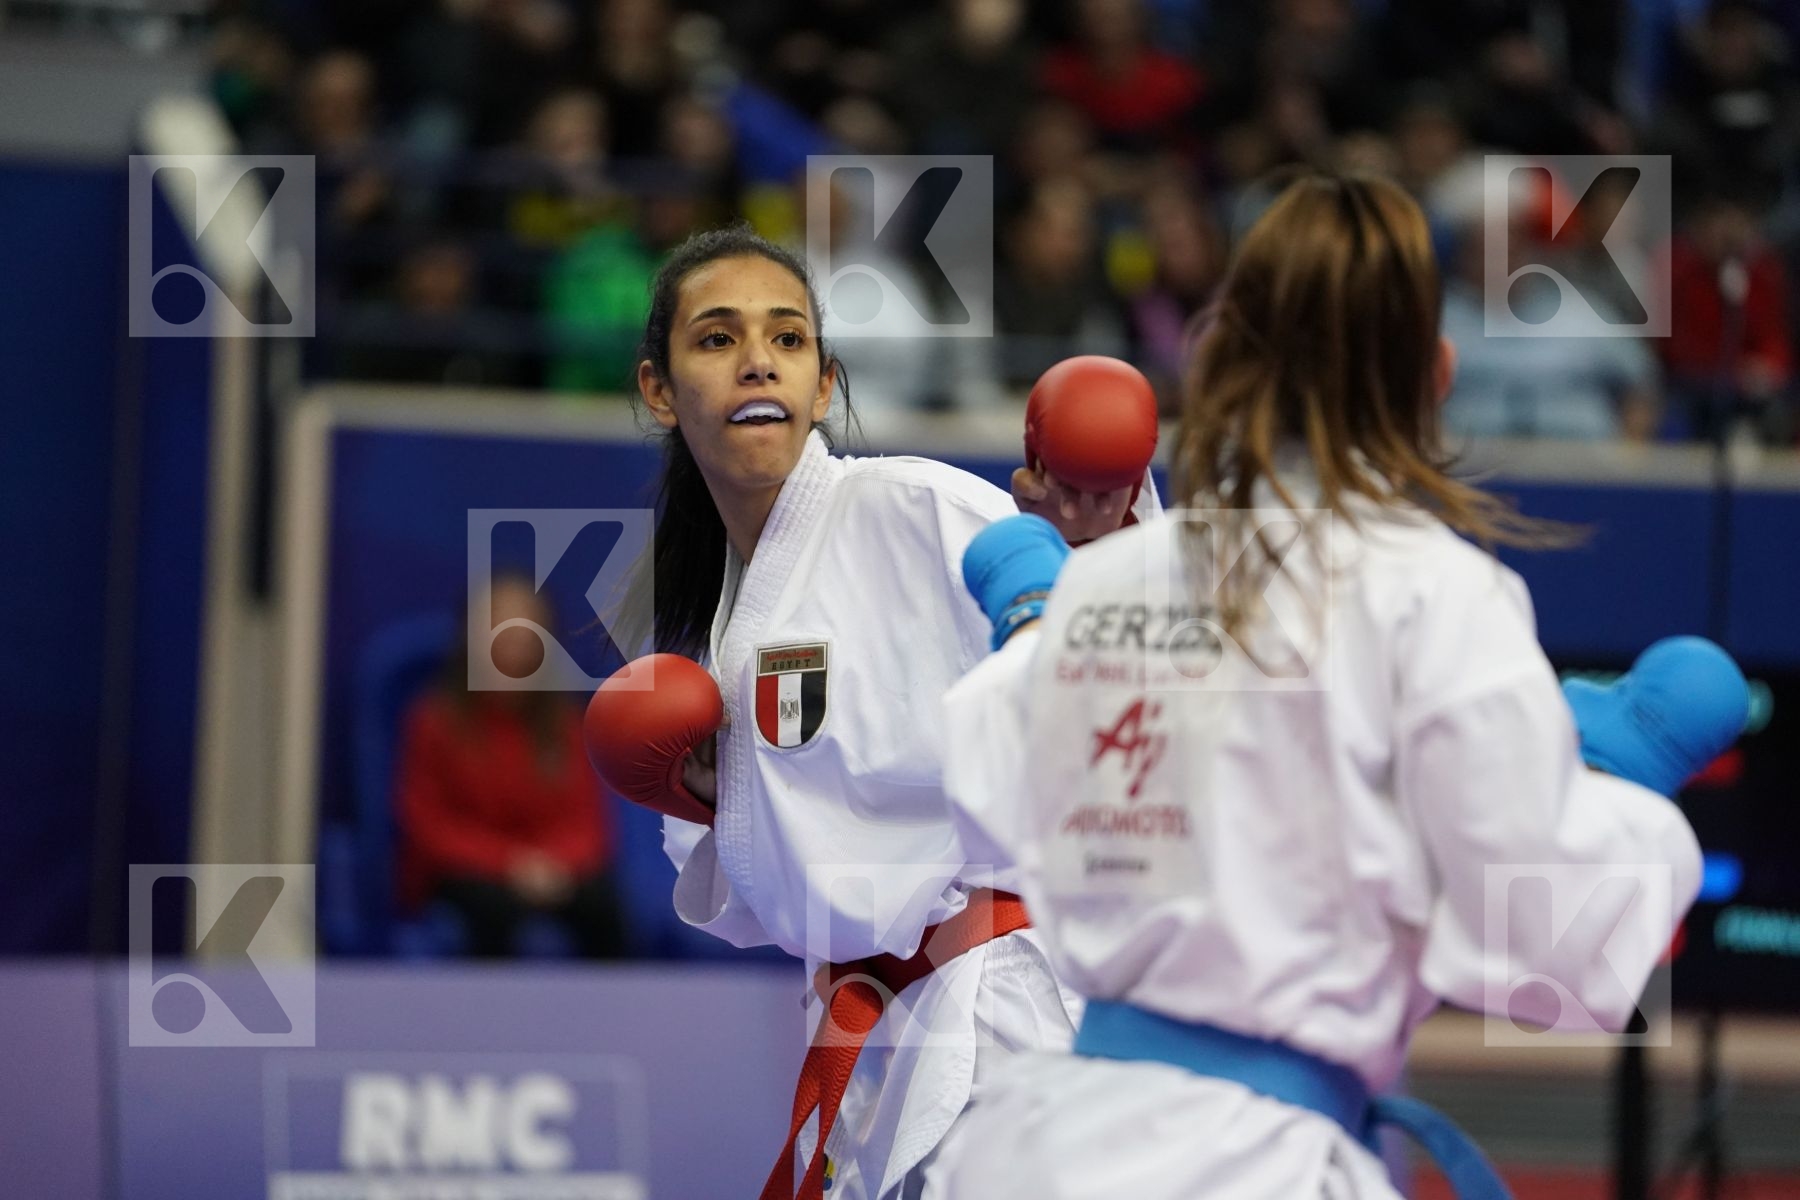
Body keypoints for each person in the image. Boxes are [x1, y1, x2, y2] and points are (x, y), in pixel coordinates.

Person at [929, 172, 1740, 1198]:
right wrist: (1620, 785)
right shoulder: (1434, 594)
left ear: (1221, 362)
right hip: (1245, 1168)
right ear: (1434, 376)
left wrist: (1039, 619)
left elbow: (986, 798)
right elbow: (1547, 949)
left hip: (1040, 1143)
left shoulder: (1121, 573)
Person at [586, 224, 1156, 1200]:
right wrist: (703, 799)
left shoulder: (913, 507)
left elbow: (1114, 667)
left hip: (1005, 1013)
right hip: (883, 1026)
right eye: (716, 340)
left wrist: (1102, 544)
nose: (757, 359)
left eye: (788, 338)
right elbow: (776, 893)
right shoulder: (714, 624)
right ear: (657, 390)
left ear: (823, 382)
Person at [394, 571, 629, 959]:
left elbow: (587, 824)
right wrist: (508, 864)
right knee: (490, 910)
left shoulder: (564, 726)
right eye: (498, 626)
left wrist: (553, 867)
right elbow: (427, 824)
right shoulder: (434, 723)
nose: (513, 641)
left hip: (552, 872)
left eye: (525, 629)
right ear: (470, 636)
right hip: (469, 874)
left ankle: (614, 1018)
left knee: (604, 906)